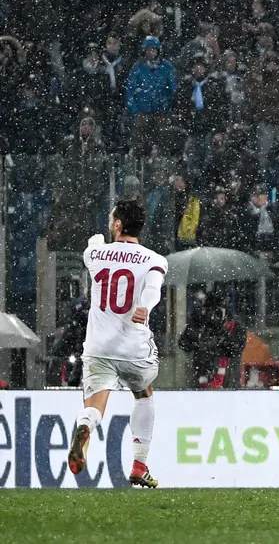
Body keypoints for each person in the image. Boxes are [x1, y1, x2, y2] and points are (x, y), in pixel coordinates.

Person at [68, 199, 168, 488]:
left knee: (95, 406)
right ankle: (139, 464)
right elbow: (153, 290)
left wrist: (95, 242)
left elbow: (92, 251)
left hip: (98, 347)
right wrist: (145, 307)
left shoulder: (96, 253)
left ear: (118, 225)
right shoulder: (154, 259)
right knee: (144, 394)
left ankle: (85, 425)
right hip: (133, 348)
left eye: (112, 218)